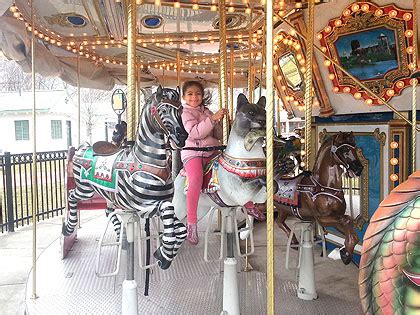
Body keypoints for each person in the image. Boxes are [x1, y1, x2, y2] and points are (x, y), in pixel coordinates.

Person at [181, 81, 264, 245]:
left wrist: (222, 124)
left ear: (202, 96)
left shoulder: (207, 112)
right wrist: (212, 120)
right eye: (190, 94)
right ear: (184, 97)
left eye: (197, 93)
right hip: (193, 153)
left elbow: (218, 135)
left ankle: (248, 203)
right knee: (196, 179)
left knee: (232, 172)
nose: (194, 97)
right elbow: (195, 132)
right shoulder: (186, 113)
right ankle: (191, 223)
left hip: (212, 151)